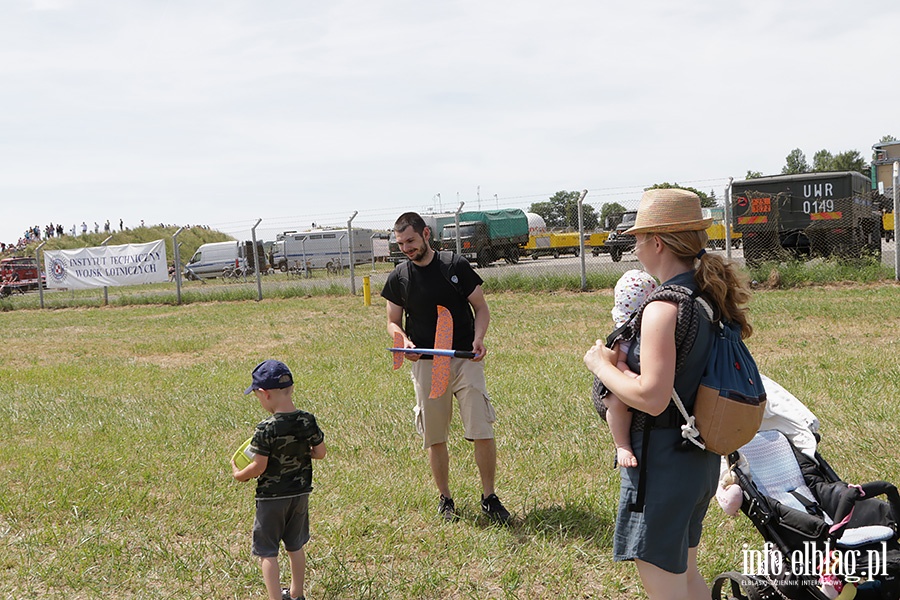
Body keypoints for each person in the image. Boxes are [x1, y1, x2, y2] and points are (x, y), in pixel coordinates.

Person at [584, 188, 753, 600]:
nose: (635, 245)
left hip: (660, 463)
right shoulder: (706, 296)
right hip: (697, 460)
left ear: (657, 242)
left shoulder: (662, 307)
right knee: (688, 578)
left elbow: (652, 396)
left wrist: (600, 366)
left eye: (638, 237)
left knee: (666, 588)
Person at [381, 212, 510, 524]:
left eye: (410, 240)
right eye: (400, 244)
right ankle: (446, 499)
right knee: (435, 436)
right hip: (428, 363)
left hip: (465, 359)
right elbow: (392, 322)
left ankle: (489, 497)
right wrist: (404, 342)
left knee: (481, 428)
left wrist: (479, 339)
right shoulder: (399, 277)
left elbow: (480, 308)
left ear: (426, 234)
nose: (406, 248)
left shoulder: (455, 266)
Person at [232, 360, 326, 600]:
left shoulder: (266, 428)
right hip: (300, 493)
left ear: (265, 394)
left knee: (267, 551)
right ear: (291, 389)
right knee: (295, 545)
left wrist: (238, 473)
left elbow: (258, 466)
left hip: (271, 498)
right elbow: (321, 452)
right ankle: (296, 595)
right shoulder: (307, 420)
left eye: (258, 397)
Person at [604, 269, 657, 468]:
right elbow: (617, 362)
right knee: (618, 405)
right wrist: (630, 376)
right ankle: (622, 444)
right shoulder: (625, 334)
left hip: (643, 385)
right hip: (616, 380)